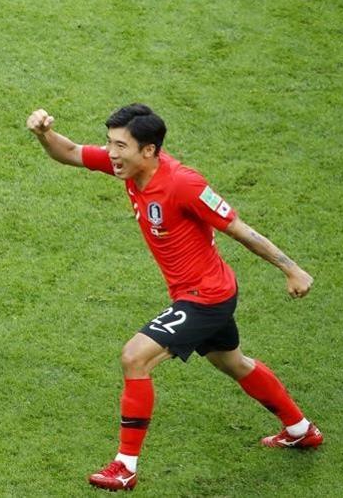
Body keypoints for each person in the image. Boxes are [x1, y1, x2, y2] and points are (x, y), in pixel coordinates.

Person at [26, 104, 321, 491]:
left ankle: (125, 466)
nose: (111, 153)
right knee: (235, 363)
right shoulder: (128, 166)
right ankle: (300, 429)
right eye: (109, 143)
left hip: (206, 297)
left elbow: (239, 228)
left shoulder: (184, 184)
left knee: (135, 357)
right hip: (200, 292)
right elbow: (69, 153)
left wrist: (291, 268)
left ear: (148, 150)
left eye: (120, 145)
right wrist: (44, 133)